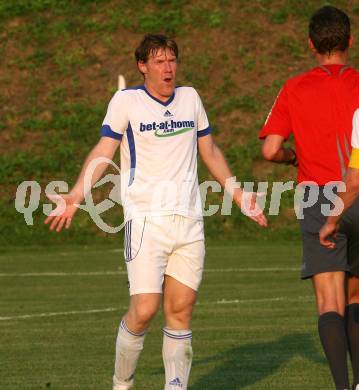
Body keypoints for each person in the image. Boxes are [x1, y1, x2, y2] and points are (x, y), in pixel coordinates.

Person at [45, 34, 267, 390]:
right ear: (142, 66)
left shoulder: (191, 98)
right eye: (160, 61)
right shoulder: (126, 102)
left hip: (189, 222)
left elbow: (208, 150)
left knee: (180, 312)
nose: (168, 68)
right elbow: (104, 149)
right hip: (146, 221)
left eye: (172, 60)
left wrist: (238, 195)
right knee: (145, 309)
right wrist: (74, 195)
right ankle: (122, 383)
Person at [259, 6, 359, 390]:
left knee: (329, 299)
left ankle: (341, 386)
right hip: (357, 191)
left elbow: (270, 149)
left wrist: (293, 157)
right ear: (350, 41)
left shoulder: (295, 87)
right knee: (355, 295)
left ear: (310, 44)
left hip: (318, 195)